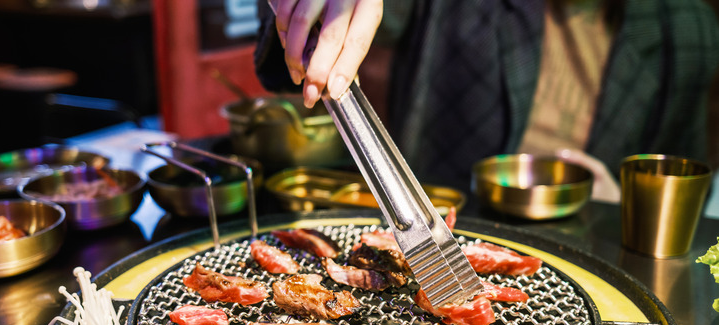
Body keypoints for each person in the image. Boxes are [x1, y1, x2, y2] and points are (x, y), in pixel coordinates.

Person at [254, 0, 719, 201]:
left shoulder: (686, 27)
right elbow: (349, 15)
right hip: (447, 231)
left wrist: (618, 208)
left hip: (588, 249)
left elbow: (678, 184)